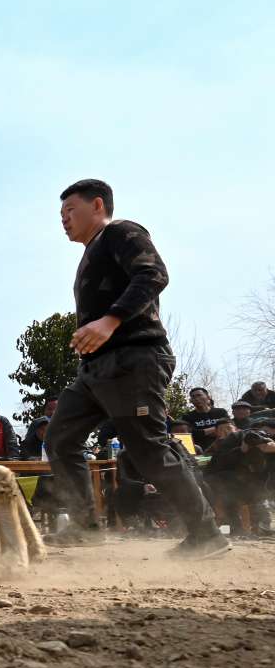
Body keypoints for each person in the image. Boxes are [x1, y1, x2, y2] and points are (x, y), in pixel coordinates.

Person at [45, 179, 226, 558]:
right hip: (95, 370)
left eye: (69, 211)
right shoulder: (90, 252)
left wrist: (109, 321)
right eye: (60, 214)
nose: (63, 220)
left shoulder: (121, 232)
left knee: (146, 447)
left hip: (135, 357)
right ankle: (84, 526)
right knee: (60, 440)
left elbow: (154, 274)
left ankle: (206, 534)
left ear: (97, 205)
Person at [203, 418, 275, 538]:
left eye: (270, 434)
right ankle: (235, 529)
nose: (262, 437)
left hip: (253, 481)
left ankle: (262, 527)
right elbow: (219, 463)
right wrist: (242, 450)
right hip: (222, 479)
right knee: (231, 485)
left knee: (259, 491)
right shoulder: (236, 437)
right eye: (262, 432)